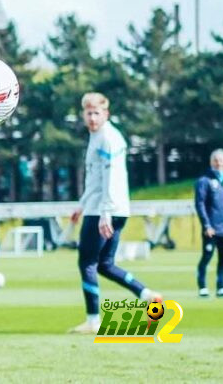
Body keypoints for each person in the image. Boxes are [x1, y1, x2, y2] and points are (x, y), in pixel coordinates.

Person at [69, 92, 162, 334]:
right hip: (110, 208)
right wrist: (81, 204)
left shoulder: (108, 138)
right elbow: (95, 179)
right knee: (105, 264)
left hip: (104, 209)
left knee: (87, 262)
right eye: (88, 113)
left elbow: (111, 179)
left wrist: (104, 213)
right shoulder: (98, 136)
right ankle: (147, 294)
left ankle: (93, 320)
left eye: (96, 113)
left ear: (105, 114)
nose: (91, 118)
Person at [195, 149, 223, 298]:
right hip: (211, 229)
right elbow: (200, 204)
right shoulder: (204, 181)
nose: (219, 163)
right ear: (211, 162)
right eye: (216, 160)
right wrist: (206, 225)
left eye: (221, 160)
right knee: (207, 257)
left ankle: (221, 288)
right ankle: (202, 287)